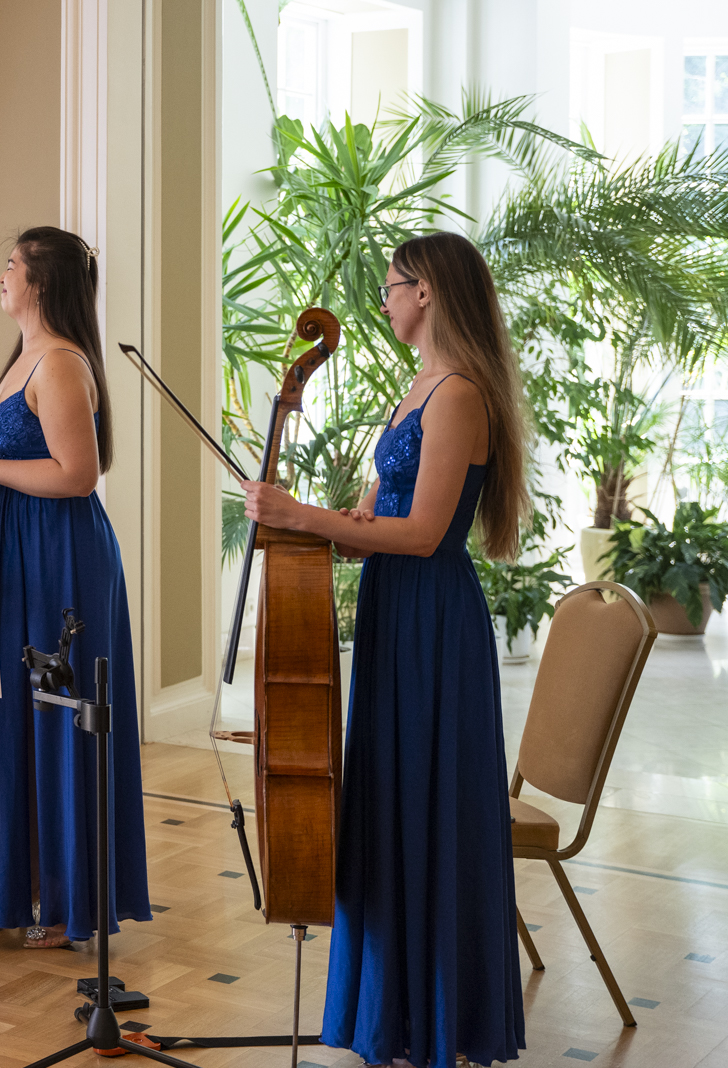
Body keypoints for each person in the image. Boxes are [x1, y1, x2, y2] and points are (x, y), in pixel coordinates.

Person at [242, 232, 529, 1066]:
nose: (384, 300)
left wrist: (302, 515)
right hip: (393, 609)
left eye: (393, 286)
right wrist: (325, 523)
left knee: (426, 801)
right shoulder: (419, 386)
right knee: (393, 798)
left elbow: (427, 532)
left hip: (432, 619)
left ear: (426, 292)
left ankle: (436, 1024)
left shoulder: (460, 393)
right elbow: (375, 523)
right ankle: (395, 1018)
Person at [0, 226, 151, 949]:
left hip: (59, 559)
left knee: (55, 717)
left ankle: (66, 903)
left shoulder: (60, 363)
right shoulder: (22, 359)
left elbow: (77, 475)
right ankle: (8, 887)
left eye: (11, 265)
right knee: (8, 713)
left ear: (41, 282)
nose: (1, 275)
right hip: (17, 555)